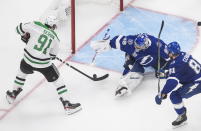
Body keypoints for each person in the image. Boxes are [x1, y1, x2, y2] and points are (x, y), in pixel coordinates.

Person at [6, 16, 82, 115]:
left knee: (21, 74)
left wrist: (25, 36)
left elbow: (18, 29)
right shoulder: (55, 38)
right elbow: (52, 56)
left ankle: (13, 94)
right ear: (53, 26)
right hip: (43, 64)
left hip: (27, 59)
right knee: (58, 81)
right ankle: (67, 104)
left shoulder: (35, 25)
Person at [90, 33, 170, 97]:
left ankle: (160, 70)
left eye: (140, 46)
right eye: (136, 45)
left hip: (153, 60)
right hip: (134, 57)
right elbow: (117, 41)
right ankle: (124, 84)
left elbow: (170, 57)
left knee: (164, 68)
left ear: (146, 45)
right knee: (131, 68)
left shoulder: (157, 45)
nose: (137, 47)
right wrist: (105, 45)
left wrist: (165, 69)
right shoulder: (129, 41)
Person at [155, 42, 201, 127]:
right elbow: (180, 70)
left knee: (174, 95)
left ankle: (182, 117)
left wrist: (162, 93)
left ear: (172, 53)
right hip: (197, 76)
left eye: (168, 52)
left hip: (198, 82)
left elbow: (173, 82)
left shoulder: (176, 64)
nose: (167, 53)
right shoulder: (183, 54)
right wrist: (166, 74)